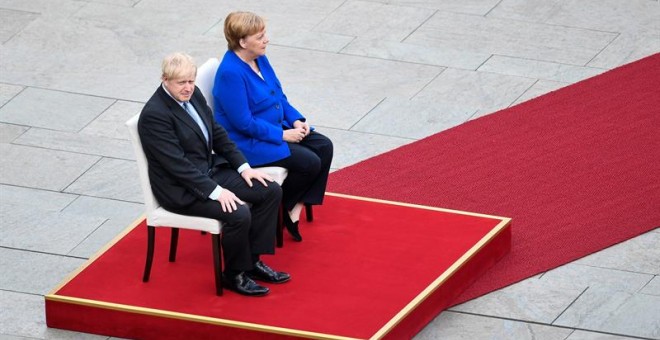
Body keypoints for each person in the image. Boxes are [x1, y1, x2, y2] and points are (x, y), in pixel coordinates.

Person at [138, 52, 290, 297]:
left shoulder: (193, 94)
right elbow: (177, 166)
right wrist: (217, 192)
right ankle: (234, 274)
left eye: (191, 81)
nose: (188, 88)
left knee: (270, 190)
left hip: (208, 171)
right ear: (164, 79)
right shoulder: (155, 116)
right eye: (181, 83)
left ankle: (252, 261)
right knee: (238, 212)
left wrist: (244, 167)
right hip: (182, 188)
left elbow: (217, 133)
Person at [213, 11, 334, 242]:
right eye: (260, 37)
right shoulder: (230, 73)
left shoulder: (259, 58)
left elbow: (279, 97)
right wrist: (283, 135)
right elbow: (243, 123)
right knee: (309, 162)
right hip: (248, 143)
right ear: (242, 42)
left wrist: (297, 120)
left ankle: (292, 208)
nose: (266, 39)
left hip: (274, 128)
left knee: (324, 146)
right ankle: (281, 209)